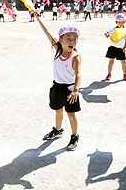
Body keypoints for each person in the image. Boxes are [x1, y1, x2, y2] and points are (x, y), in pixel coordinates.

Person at [36, 13, 81, 151]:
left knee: (71, 114)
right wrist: (39, 19)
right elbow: (47, 33)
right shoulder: (58, 50)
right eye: (68, 38)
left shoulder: (76, 57)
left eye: (74, 39)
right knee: (58, 111)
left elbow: (78, 75)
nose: (72, 41)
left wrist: (75, 90)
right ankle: (58, 130)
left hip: (69, 89)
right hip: (56, 87)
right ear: (61, 40)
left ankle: (74, 136)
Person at [104, 13, 126, 81]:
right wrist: (106, 34)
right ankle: (109, 74)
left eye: (122, 22)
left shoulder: (125, 31)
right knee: (111, 61)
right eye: (119, 22)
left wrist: (125, 47)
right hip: (112, 47)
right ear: (116, 22)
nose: (121, 23)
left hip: (120, 48)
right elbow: (107, 32)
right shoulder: (114, 29)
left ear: (125, 22)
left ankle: (125, 74)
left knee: (123, 62)